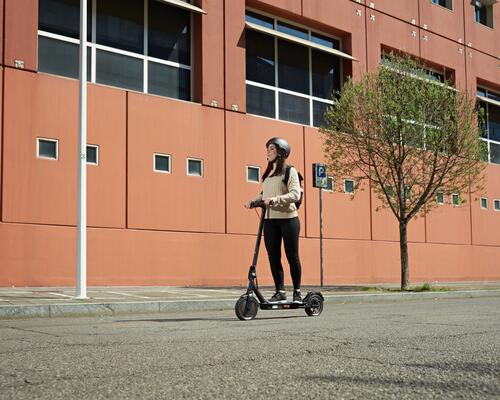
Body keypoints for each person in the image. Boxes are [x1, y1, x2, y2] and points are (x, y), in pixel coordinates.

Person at [245, 137, 302, 303]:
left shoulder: (290, 171)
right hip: (270, 221)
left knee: (292, 256)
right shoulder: (268, 175)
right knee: (273, 256)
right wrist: (253, 201)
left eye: (271, 149)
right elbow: (264, 194)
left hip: (289, 220)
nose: (267, 152)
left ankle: (297, 291)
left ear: (281, 152)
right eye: (267, 149)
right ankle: (280, 291)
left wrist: (275, 200)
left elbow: (295, 194)